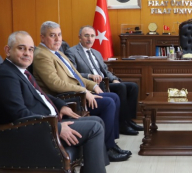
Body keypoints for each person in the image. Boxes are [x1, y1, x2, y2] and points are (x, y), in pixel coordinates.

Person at [0, 31, 126, 173]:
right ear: (8, 50)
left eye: (30, 49)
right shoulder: (6, 75)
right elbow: (18, 115)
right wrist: (58, 128)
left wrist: (61, 105)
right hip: (33, 133)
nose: (27, 53)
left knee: (96, 121)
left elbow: (40, 94)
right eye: (21, 48)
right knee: (95, 127)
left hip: (45, 123)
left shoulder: (19, 71)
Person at [33, 21, 130, 162]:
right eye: (52, 35)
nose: (57, 39)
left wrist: (93, 86)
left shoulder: (58, 53)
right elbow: (55, 84)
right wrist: (84, 91)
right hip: (66, 99)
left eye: (59, 35)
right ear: (42, 37)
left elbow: (76, 76)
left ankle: (111, 144)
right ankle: (107, 149)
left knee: (114, 97)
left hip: (76, 93)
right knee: (108, 103)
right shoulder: (42, 55)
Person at [67, 26, 143, 135]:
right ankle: (122, 124)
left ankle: (129, 120)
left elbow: (106, 71)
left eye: (92, 36)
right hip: (93, 85)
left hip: (106, 81)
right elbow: (72, 73)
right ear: (79, 37)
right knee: (121, 87)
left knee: (133, 86)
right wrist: (90, 75)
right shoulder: (72, 52)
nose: (89, 39)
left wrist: (114, 79)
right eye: (86, 36)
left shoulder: (96, 52)